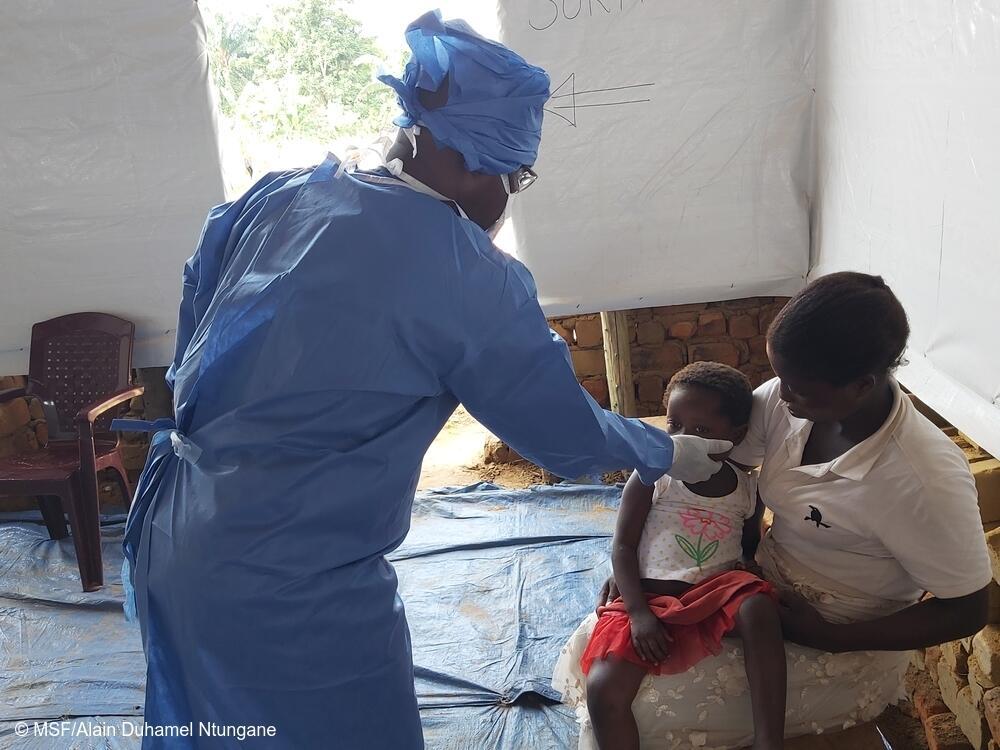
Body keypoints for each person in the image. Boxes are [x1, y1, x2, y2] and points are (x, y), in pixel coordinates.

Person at [118, 11, 732, 749]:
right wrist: (665, 449)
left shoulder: (285, 192)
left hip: (172, 526)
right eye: (518, 177)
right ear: (480, 164)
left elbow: (196, 306)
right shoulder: (464, 273)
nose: (510, 202)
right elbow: (560, 431)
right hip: (288, 577)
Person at [554, 272, 991, 749]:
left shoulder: (921, 478)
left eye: (797, 388)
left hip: (844, 633)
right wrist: (643, 561)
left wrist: (830, 637)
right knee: (608, 664)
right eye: (779, 376)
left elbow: (968, 609)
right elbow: (711, 481)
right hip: (750, 584)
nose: (779, 395)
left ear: (862, 384)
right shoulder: (791, 403)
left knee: (640, 710)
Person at [579, 363, 786, 750]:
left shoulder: (747, 488)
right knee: (604, 687)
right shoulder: (653, 475)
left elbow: (746, 543)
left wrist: (750, 564)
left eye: (703, 430)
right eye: (674, 425)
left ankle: (769, 741)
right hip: (651, 597)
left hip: (712, 594)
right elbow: (623, 545)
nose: (684, 438)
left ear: (736, 435)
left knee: (759, 607)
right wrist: (639, 614)